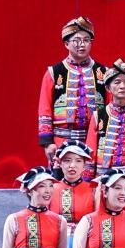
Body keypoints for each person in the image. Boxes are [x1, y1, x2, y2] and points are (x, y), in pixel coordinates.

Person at [39, 17, 105, 162]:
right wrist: (47, 142)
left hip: (93, 140)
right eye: (76, 40)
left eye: (86, 40)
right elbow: (45, 108)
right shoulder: (54, 72)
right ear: (66, 44)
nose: (82, 44)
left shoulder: (103, 72)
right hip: (61, 139)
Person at [86, 59, 125, 175]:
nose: (122, 86)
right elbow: (91, 150)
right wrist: (89, 179)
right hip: (104, 176)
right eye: (117, 82)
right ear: (108, 88)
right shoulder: (98, 115)